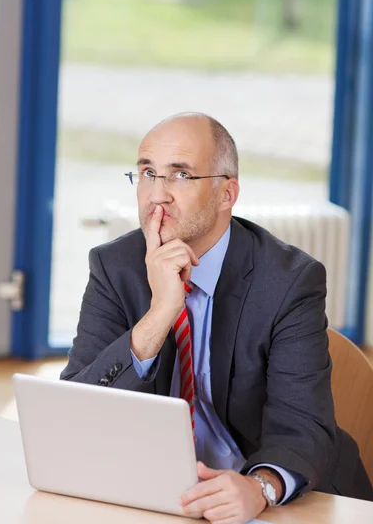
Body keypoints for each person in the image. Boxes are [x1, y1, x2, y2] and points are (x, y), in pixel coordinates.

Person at [61, 112, 373, 523]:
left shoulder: (288, 280)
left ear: (227, 194)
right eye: (148, 173)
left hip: (279, 497)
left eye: (180, 175)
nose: (157, 195)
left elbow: (303, 427)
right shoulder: (115, 265)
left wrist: (259, 487)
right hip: (163, 496)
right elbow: (74, 412)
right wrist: (159, 315)